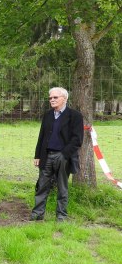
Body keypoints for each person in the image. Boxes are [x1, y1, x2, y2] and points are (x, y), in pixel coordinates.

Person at [30, 87, 83, 222]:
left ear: (64, 99)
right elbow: (41, 136)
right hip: (46, 155)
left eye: (55, 97)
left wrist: (64, 154)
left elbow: (77, 139)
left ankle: (61, 216)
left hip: (63, 156)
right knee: (42, 186)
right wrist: (37, 156)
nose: (52, 100)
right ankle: (37, 215)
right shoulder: (48, 115)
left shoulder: (75, 116)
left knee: (62, 188)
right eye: (50, 98)